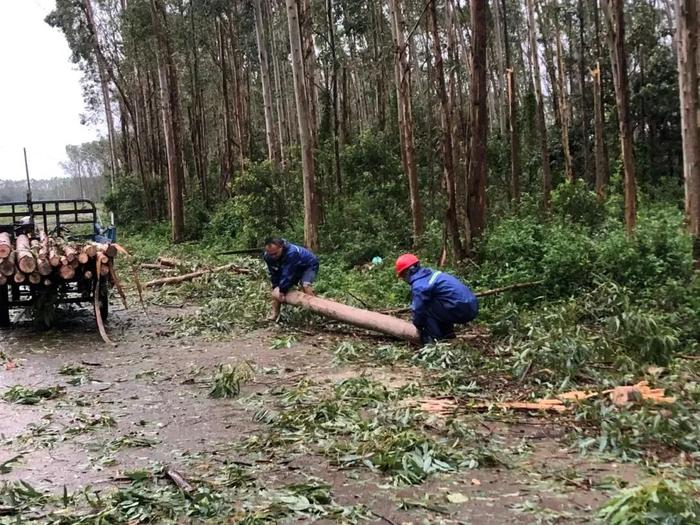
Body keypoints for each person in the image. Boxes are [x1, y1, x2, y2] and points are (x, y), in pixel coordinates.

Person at [395, 253, 478, 345]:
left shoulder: (419, 285)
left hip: (461, 309)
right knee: (437, 305)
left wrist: (419, 327)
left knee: (426, 309)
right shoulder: (432, 274)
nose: (403, 279)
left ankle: (434, 342)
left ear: (407, 272)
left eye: (402, 276)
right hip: (470, 305)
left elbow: (418, 311)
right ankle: (448, 336)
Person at [263, 237, 319, 321]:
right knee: (276, 289)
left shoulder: (292, 253)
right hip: (294, 266)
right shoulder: (267, 256)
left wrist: (282, 291)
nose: (273, 256)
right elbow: (273, 272)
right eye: (271, 254)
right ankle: (275, 314)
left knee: (305, 284)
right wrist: (276, 287)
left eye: (275, 253)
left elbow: (287, 274)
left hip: (308, 265)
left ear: (281, 247)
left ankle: (315, 311)